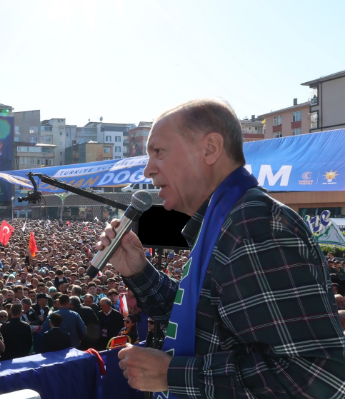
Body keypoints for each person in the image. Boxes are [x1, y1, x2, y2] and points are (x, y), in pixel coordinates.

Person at [103, 98, 345, 396]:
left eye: (159, 152)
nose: (148, 170)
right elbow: (203, 323)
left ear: (210, 149)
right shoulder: (227, 220)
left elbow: (315, 375)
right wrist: (139, 271)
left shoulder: (255, 226)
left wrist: (172, 374)